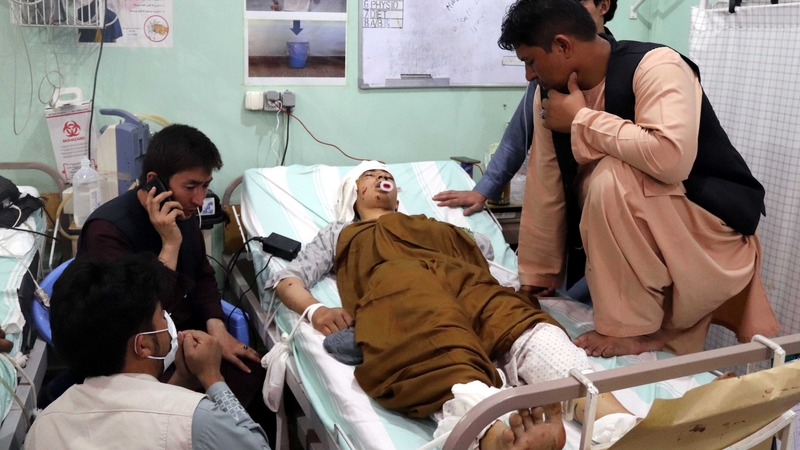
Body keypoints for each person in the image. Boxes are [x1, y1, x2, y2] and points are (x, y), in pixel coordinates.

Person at [269, 161, 636, 449]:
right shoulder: (338, 232)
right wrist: (318, 311)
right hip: (400, 285)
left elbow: (485, 249)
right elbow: (287, 279)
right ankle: (496, 434)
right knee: (435, 339)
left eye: (388, 176)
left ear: (397, 196)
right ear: (355, 193)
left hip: (466, 280)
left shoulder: (431, 223)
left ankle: (616, 424)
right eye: (372, 176)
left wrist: (449, 231)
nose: (383, 179)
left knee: (524, 326)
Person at [498, 0, 780, 357]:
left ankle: (635, 329)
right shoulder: (552, 97)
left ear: (563, 46)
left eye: (530, 62)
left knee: (610, 176)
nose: (528, 76)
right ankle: (647, 330)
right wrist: (539, 274)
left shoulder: (657, 65)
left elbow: (670, 159)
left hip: (708, 232)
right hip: (647, 229)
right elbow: (546, 179)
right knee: (599, 180)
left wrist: (582, 119)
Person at [77, 124, 265, 407]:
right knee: (200, 410)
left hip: (184, 342)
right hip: (136, 359)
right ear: (155, 182)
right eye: (190, 187)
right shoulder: (107, 231)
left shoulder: (185, 213)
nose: (200, 200)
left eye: (205, 186)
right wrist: (170, 244)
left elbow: (202, 277)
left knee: (255, 376)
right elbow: (133, 316)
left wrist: (218, 330)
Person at [26, 254, 272, 450]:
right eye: (162, 316)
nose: (168, 323)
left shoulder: (45, 426)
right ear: (142, 345)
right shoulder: (197, 420)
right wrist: (212, 378)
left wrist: (183, 379)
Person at [433, 0, 618, 216]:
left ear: (603, 6)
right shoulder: (546, 73)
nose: (529, 74)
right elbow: (518, 136)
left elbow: (656, 152)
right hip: (563, 207)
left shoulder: (629, 70)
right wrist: (483, 190)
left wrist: (580, 120)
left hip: (610, 208)